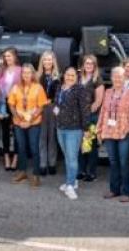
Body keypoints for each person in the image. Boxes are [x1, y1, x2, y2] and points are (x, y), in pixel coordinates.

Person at [98, 66, 129, 202]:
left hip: (124, 132)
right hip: (109, 131)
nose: (117, 79)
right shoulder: (107, 92)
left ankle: (127, 191)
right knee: (113, 162)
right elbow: (103, 112)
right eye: (115, 76)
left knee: (124, 162)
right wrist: (99, 129)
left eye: (120, 77)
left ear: (124, 79)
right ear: (111, 78)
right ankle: (114, 189)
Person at [8, 63, 49, 188]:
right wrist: (18, 118)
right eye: (24, 73)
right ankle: (22, 172)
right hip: (19, 123)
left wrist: (30, 120)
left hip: (34, 123)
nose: (26, 75)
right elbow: (11, 104)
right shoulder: (15, 87)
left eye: (28, 72)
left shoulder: (38, 88)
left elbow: (41, 106)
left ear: (32, 74)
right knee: (21, 148)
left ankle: (36, 175)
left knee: (34, 148)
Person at [54, 66, 91, 200]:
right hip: (60, 127)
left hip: (74, 129)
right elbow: (57, 104)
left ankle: (70, 185)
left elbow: (85, 110)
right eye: (68, 75)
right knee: (67, 156)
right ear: (64, 75)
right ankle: (73, 180)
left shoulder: (80, 90)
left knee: (72, 157)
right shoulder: (60, 87)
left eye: (73, 76)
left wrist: (86, 129)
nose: (70, 77)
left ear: (77, 77)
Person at [78, 54, 105, 182]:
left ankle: (91, 171)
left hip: (91, 116)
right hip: (77, 117)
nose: (88, 65)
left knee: (90, 144)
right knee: (80, 144)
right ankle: (81, 170)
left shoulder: (97, 80)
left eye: (91, 63)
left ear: (95, 66)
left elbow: (98, 102)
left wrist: (87, 114)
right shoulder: (78, 78)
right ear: (83, 65)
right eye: (86, 63)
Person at [0, 47, 22, 172]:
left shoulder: (20, 70)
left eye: (9, 56)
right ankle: (6, 156)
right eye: (5, 56)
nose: (7, 58)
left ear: (15, 57)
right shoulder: (1, 70)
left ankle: (16, 157)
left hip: (17, 104)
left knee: (17, 131)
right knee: (5, 131)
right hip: (4, 103)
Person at [37, 51, 60, 176]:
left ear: (53, 62)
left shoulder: (57, 76)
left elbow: (60, 94)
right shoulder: (37, 76)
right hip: (40, 108)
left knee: (52, 137)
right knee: (42, 137)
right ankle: (42, 164)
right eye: (45, 60)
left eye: (49, 60)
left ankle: (52, 163)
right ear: (42, 62)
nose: (47, 62)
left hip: (53, 108)